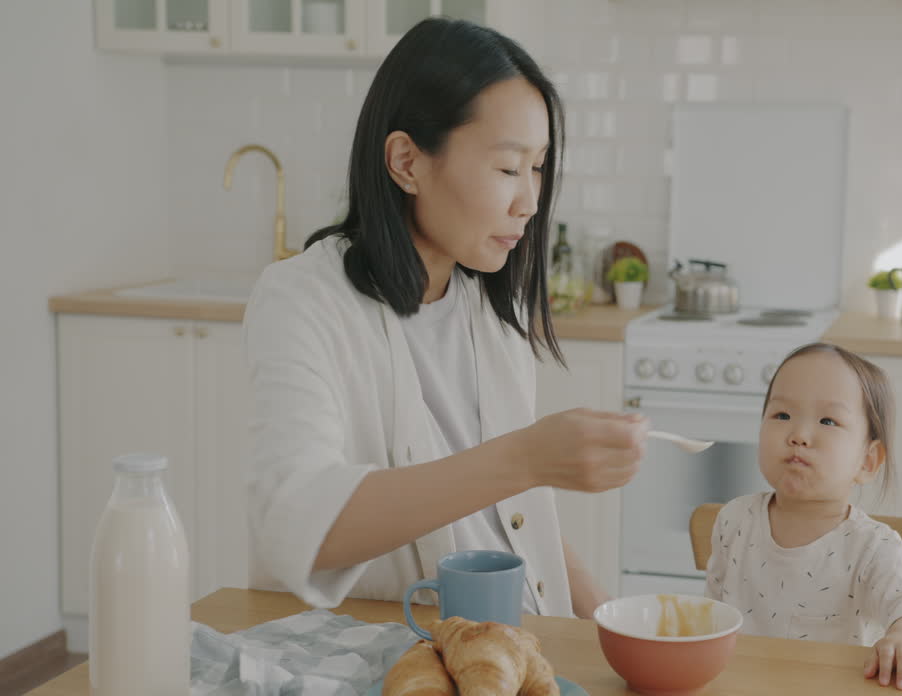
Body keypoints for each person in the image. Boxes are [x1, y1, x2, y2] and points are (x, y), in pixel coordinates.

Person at [242, 17, 648, 620]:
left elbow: (508, 517)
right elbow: (295, 526)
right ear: (407, 162)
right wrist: (528, 457)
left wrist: (612, 622)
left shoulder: (488, 300)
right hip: (389, 662)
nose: (530, 202)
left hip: (515, 647)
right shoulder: (301, 299)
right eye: (509, 168)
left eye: (538, 167)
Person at [703, 343, 902, 691]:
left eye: (828, 421)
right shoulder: (734, 521)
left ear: (867, 461)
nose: (798, 435)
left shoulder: (872, 547)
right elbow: (711, 621)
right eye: (782, 415)